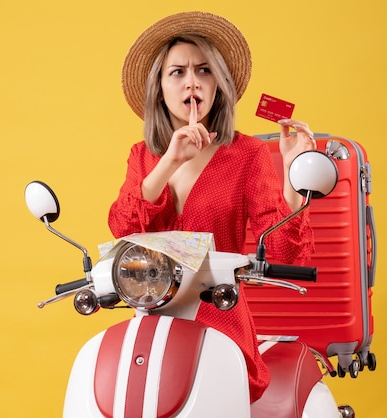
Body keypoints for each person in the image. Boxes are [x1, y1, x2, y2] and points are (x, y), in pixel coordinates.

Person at [108, 11, 317, 403]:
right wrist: (170, 159)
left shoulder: (248, 153)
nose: (192, 82)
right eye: (178, 72)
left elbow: (284, 250)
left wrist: (292, 173)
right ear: (159, 88)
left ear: (218, 86)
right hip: (152, 322)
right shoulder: (143, 156)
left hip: (220, 318)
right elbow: (122, 229)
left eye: (203, 71)